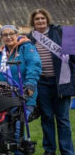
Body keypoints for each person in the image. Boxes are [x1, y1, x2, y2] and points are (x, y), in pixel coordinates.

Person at [0, 25, 41, 155]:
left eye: (11, 34)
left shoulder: (27, 48)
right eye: (5, 35)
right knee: (4, 132)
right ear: (1, 38)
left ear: (17, 34)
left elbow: (34, 66)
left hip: (23, 97)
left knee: (19, 130)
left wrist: (30, 84)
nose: (8, 37)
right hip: (3, 99)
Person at [27, 9, 75, 155]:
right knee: (47, 118)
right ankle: (49, 150)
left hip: (61, 82)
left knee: (63, 120)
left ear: (47, 19)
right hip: (41, 83)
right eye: (37, 19)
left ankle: (67, 151)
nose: (40, 21)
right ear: (33, 22)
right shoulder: (30, 38)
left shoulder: (61, 32)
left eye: (42, 18)